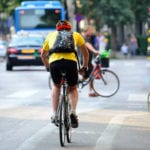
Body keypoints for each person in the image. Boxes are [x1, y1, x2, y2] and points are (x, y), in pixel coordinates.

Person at [41, 20, 89, 128]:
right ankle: (73, 112)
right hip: (70, 64)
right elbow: (86, 54)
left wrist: (48, 67)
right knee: (72, 88)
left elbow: (43, 55)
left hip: (55, 64)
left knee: (56, 86)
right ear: (69, 28)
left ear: (57, 29)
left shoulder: (51, 35)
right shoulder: (76, 35)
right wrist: (84, 66)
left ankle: (54, 114)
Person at [82, 26, 100, 97]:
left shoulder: (89, 37)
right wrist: (95, 51)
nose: (92, 32)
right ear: (87, 30)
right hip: (84, 60)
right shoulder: (84, 37)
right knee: (91, 75)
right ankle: (91, 92)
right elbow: (87, 45)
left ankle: (91, 91)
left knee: (87, 76)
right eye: (91, 30)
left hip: (87, 60)